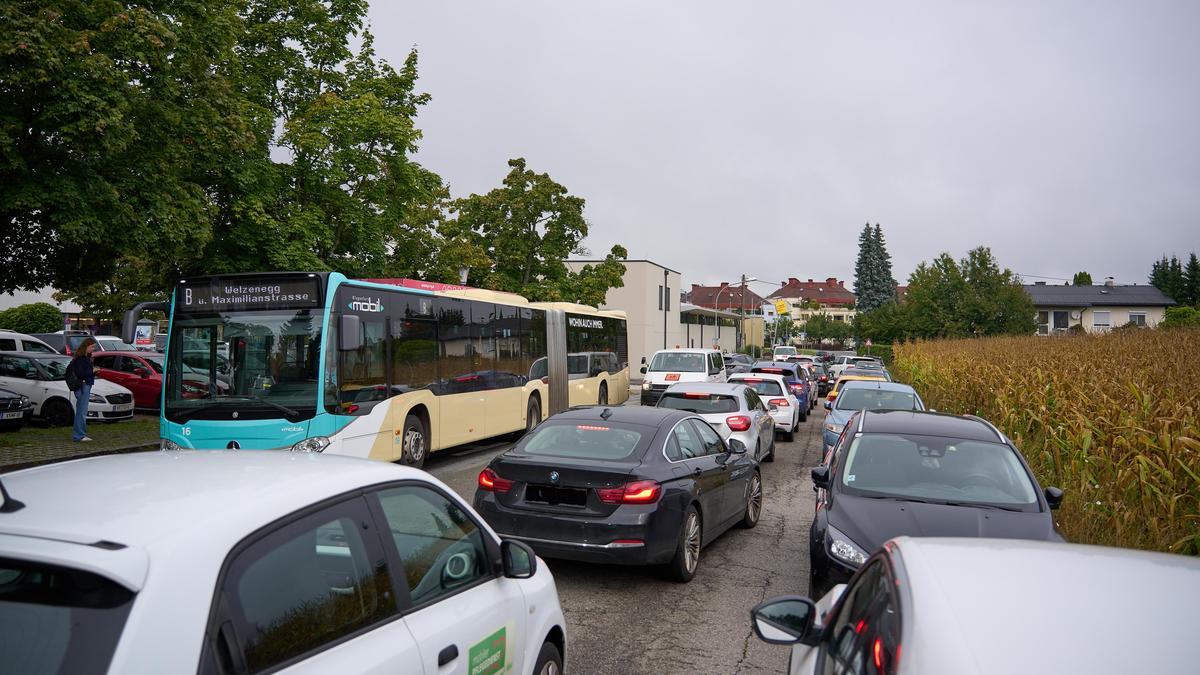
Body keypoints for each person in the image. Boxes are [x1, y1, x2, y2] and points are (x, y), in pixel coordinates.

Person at [70, 337, 98, 442]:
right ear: (86, 346)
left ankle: (80, 434)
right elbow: (81, 373)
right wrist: (92, 371)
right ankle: (79, 435)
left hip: (86, 385)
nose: (93, 349)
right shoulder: (80, 358)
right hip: (83, 386)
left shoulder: (86, 357)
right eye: (92, 347)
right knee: (82, 411)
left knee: (82, 411)